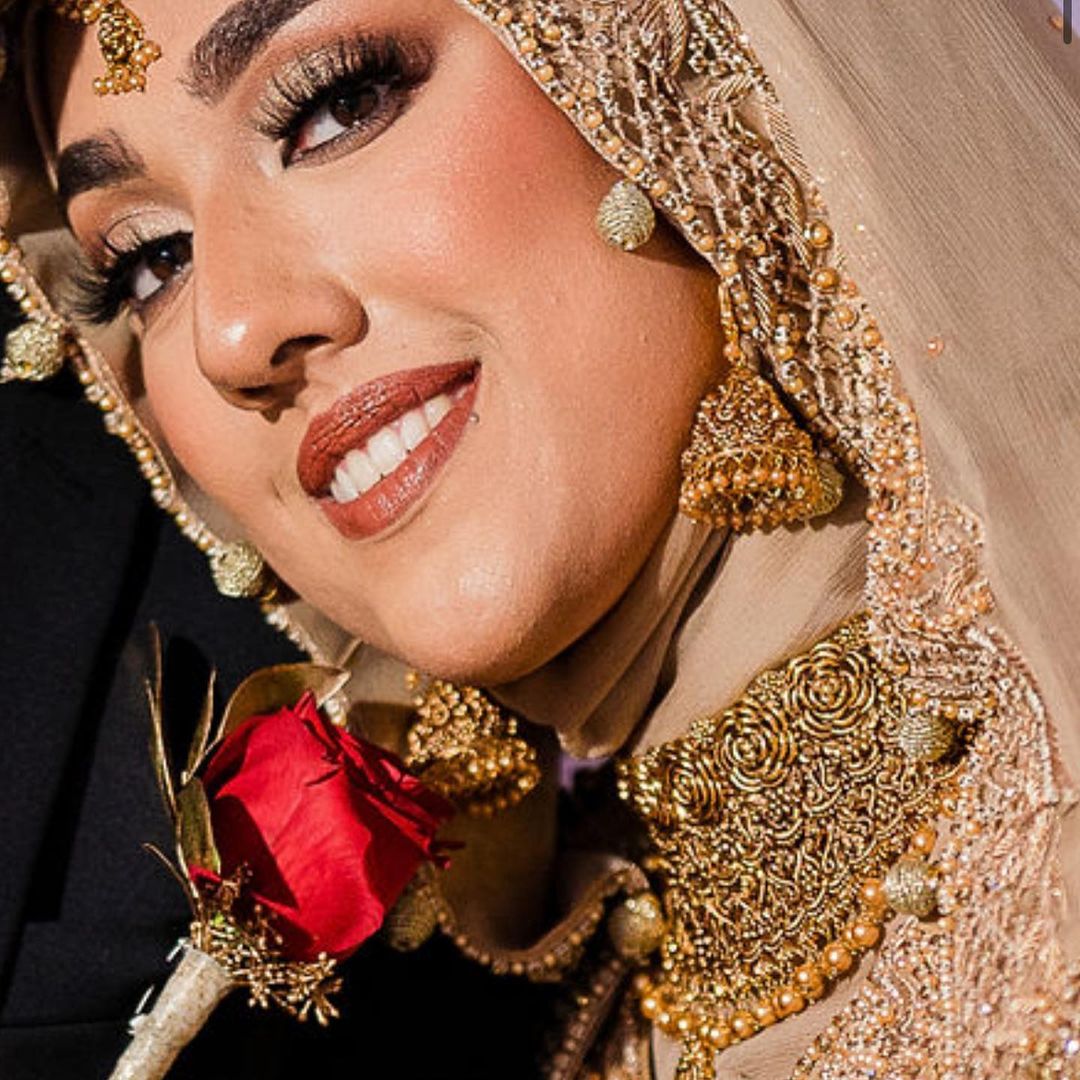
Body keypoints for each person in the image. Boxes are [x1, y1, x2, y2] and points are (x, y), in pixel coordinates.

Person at [2, 0, 1078, 1077]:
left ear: (674, 62)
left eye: (337, 105)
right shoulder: (584, 1025)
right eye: (153, 262)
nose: (233, 335)